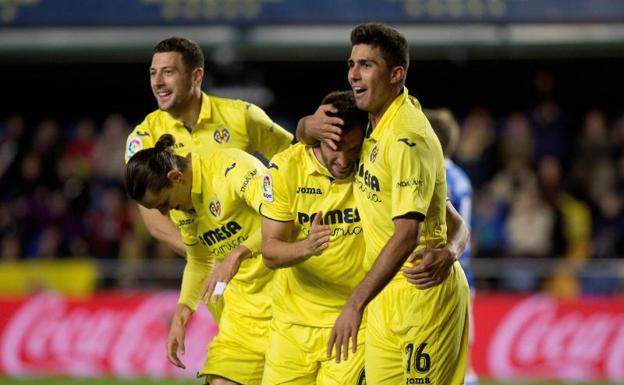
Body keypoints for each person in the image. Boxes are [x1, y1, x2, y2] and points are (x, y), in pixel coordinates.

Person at [322, 23, 470, 384]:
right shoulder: (375, 122)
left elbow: (407, 235)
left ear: (396, 74)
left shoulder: (407, 138)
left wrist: (354, 304)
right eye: (351, 63)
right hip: (386, 299)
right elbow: (450, 217)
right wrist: (452, 248)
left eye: (366, 65)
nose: (354, 74)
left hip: (422, 298)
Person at [125, 134, 273, 385]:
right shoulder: (183, 206)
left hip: (286, 308)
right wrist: (181, 316)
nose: (164, 213)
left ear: (175, 177)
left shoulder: (232, 169)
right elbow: (198, 260)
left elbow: (282, 218)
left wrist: (236, 255)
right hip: (241, 320)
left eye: (163, 203)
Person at [125, 36, 293, 255]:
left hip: (259, 256)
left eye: (168, 72)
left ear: (195, 76)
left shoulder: (242, 116)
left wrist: (270, 237)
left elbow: (292, 166)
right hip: (208, 263)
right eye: (153, 73)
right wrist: (206, 257)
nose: (157, 82)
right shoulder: (143, 137)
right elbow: (154, 216)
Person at [260, 90, 369, 384]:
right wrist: (306, 247)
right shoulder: (286, 168)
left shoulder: (376, 165)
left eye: (354, 148)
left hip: (356, 322)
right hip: (292, 327)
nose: (345, 160)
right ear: (319, 137)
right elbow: (270, 251)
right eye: (337, 147)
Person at [425, 108, 479, 385]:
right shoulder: (461, 177)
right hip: (463, 272)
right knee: (461, 359)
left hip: (439, 272)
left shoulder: (434, 175)